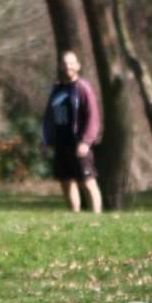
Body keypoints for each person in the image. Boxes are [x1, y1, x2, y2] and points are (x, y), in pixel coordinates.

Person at [40, 50, 103, 213]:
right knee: (66, 182)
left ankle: (97, 218)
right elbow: (49, 116)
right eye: (64, 63)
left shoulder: (83, 88)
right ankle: (75, 216)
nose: (68, 66)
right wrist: (46, 140)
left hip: (79, 143)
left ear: (78, 66)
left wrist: (86, 141)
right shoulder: (57, 89)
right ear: (61, 66)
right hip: (61, 142)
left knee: (88, 182)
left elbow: (93, 117)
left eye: (71, 63)